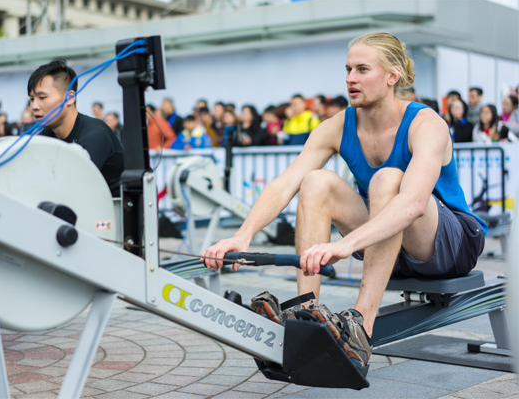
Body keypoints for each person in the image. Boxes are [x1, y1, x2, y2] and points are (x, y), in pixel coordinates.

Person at [202, 32, 486, 370]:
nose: (351, 78)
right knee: (315, 181)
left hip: (447, 246)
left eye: (362, 69)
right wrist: (243, 235)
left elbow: (412, 204)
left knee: (387, 179)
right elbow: (285, 183)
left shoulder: (425, 123)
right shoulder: (338, 126)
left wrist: (345, 245)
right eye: (348, 69)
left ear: (392, 76)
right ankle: (305, 312)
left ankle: (361, 328)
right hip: (386, 242)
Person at [29, 59, 125, 197]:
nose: (34, 106)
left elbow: (71, 188)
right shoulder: (48, 134)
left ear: (70, 98)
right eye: (32, 99)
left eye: (42, 97)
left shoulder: (95, 135)